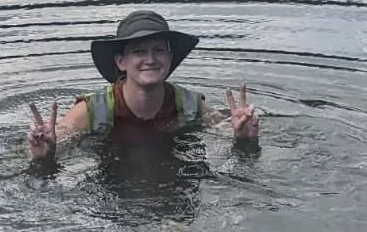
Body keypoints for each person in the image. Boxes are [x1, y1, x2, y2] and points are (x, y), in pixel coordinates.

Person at [27, 10, 259, 160]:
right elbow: (57, 141)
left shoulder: (190, 106)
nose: (150, 59)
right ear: (121, 61)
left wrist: (244, 136)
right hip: (111, 194)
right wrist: (43, 154)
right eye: (139, 51)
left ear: (170, 58)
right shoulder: (92, 111)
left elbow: (225, 132)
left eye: (158, 50)